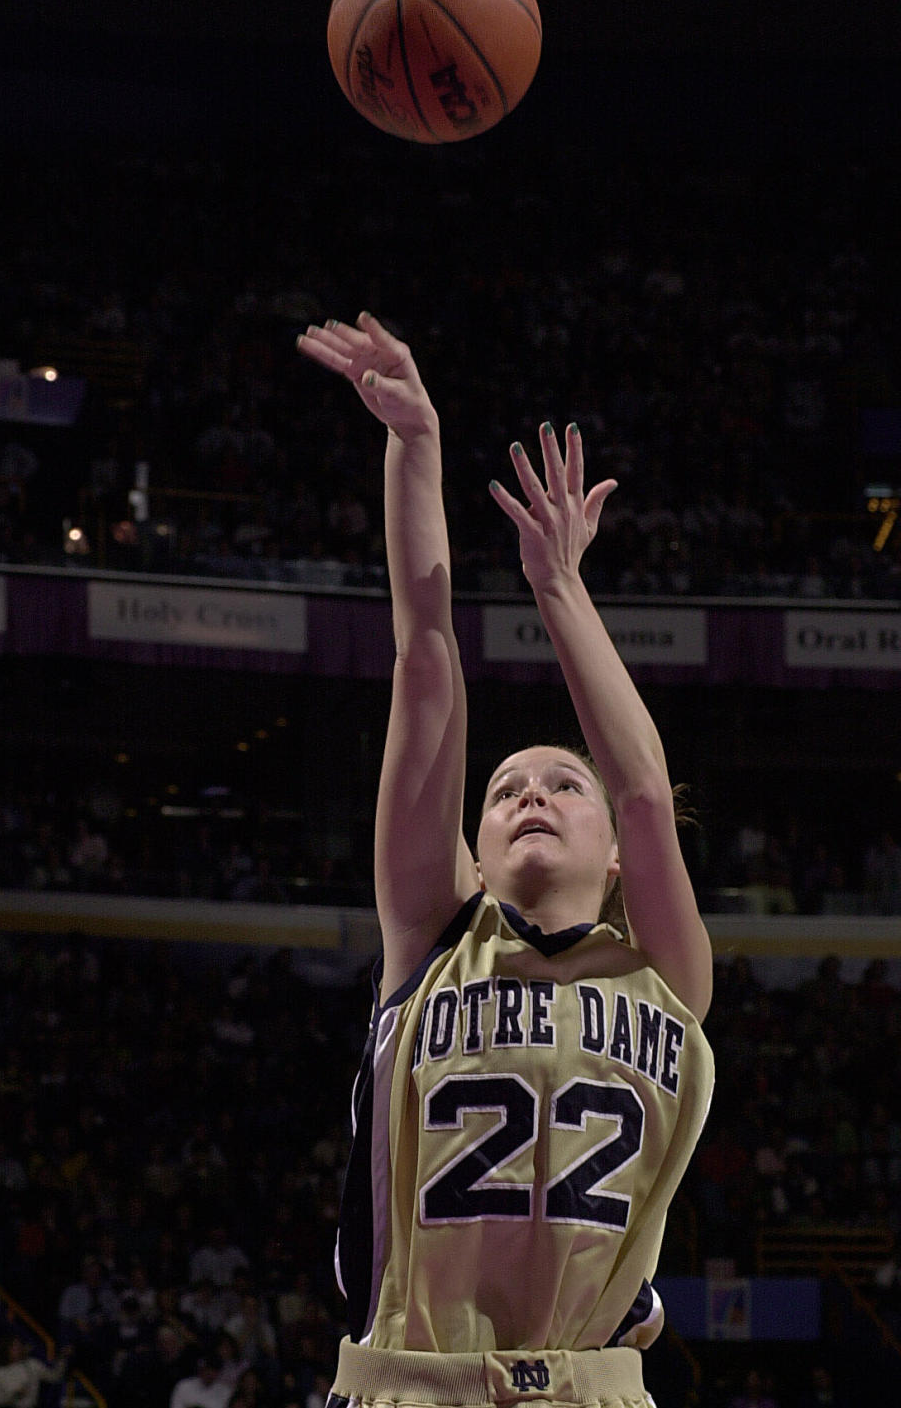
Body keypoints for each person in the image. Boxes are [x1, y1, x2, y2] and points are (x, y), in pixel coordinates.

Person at [297, 314, 714, 1408]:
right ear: (472, 851)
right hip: (410, 1380)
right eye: (504, 790)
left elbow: (642, 786)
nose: (531, 792)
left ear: (618, 854)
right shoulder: (434, 934)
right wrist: (415, 442)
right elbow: (425, 655)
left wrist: (560, 588)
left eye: (559, 785)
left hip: (592, 1387)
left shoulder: (663, 971)